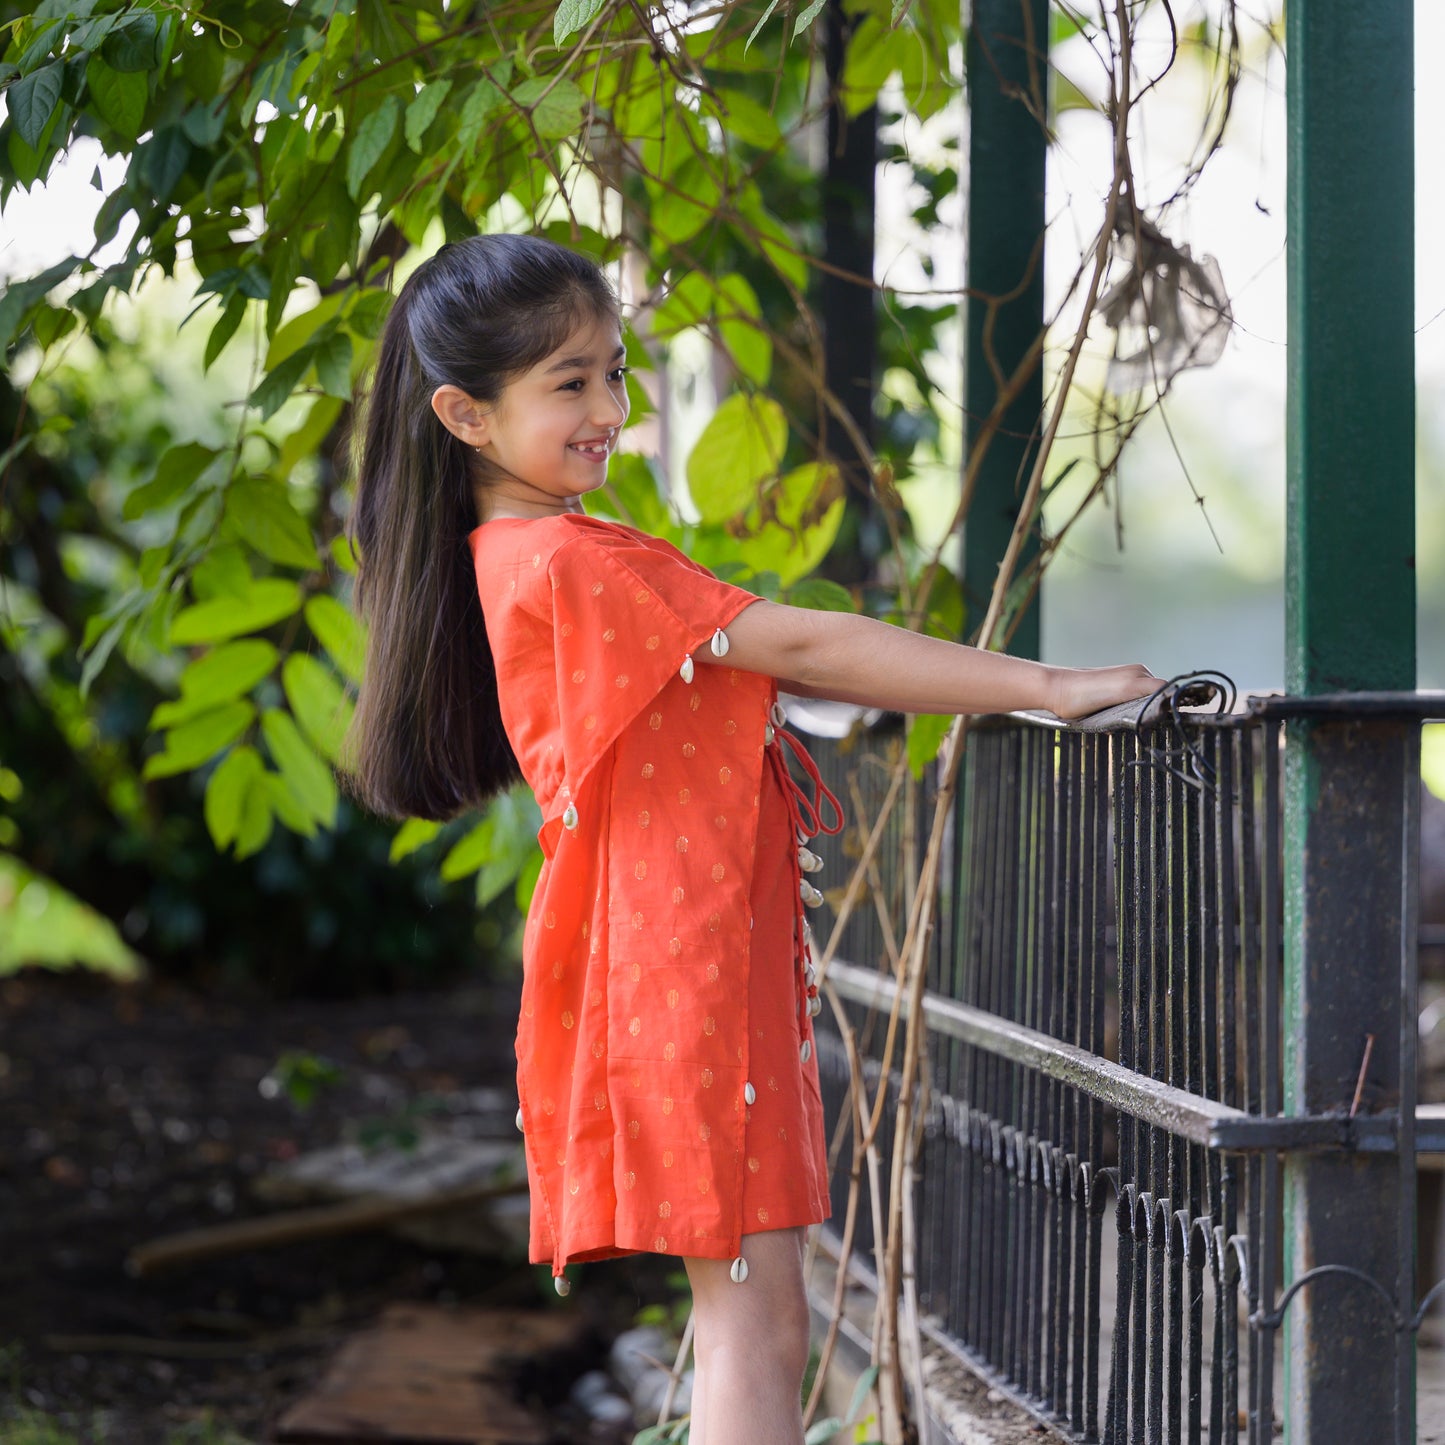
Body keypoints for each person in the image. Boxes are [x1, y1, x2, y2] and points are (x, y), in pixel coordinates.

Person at [345, 233, 1157, 1445]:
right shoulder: (567, 557)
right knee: (747, 1330)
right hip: (679, 972)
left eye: (614, 373)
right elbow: (809, 645)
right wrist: (1050, 684)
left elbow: (750, 682)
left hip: (679, 965)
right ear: (463, 413)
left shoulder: (534, 552)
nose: (610, 410)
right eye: (569, 382)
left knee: (758, 1327)